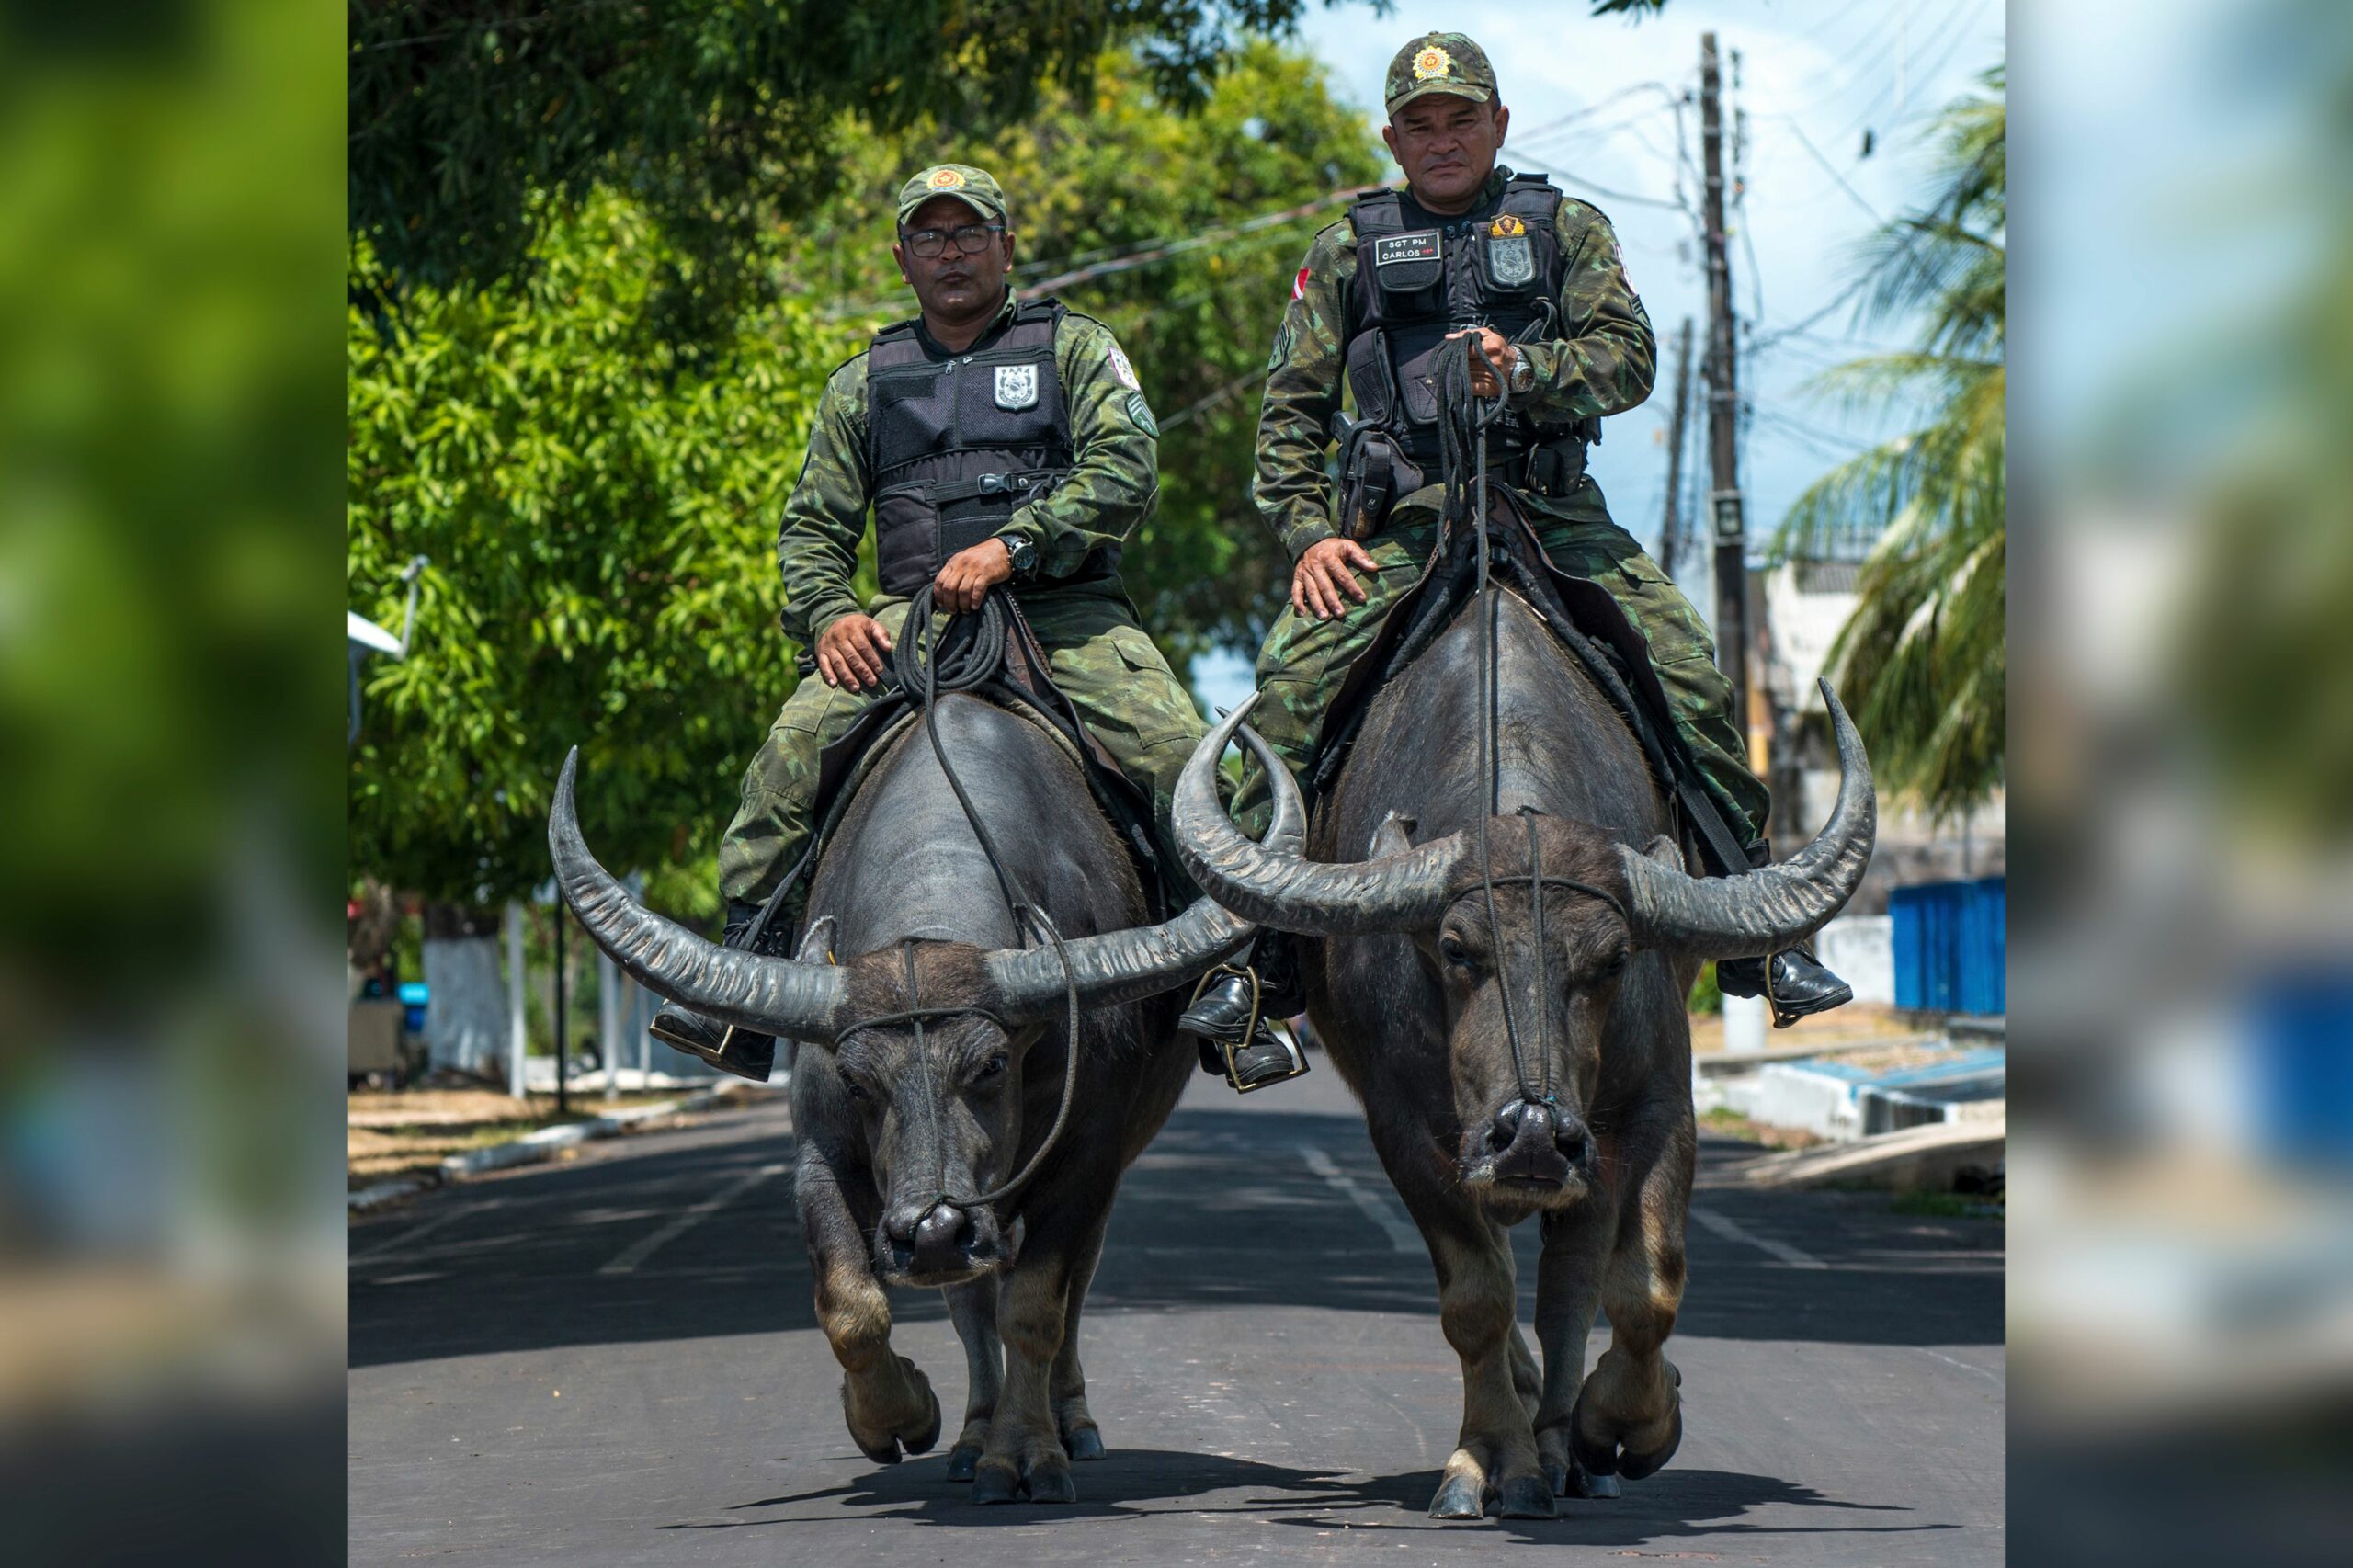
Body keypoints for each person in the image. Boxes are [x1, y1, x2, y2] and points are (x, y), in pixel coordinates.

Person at [1184, 34, 1851, 1040]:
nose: (1442, 139)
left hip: (1549, 511)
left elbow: (1628, 360)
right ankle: (1251, 955)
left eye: (1461, 119)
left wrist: (1525, 369)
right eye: (1421, 123)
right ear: (1392, 137)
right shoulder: (1344, 250)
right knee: (1283, 703)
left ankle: (1757, 928)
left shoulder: (1562, 226)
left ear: (1498, 124)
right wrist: (1310, 537)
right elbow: (1287, 417)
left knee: (1688, 672)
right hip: (1402, 525)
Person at [653, 164, 1308, 1089]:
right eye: (930, 236)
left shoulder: (1074, 349)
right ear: (902, 256)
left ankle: (1242, 982)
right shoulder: (861, 382)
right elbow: (809, 528)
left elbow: (1126, 469)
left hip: (1062, 609)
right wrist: (830, 613)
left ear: (1007, 247)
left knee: (1181, 758)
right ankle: (743, 987)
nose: (950, 251)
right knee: (783, 760)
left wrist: (1016, 544)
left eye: (969, 234)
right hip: (906, 618)